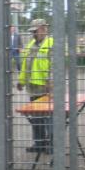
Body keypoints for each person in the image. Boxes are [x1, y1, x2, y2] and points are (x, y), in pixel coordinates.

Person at [17, 19, 54, 153]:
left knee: (48, 117)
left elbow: (55, 66)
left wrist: (52, 83)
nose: (33, 34)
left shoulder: (51, 43)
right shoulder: (32, 43)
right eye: (32, 31)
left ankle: (51, 145)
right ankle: (39, 144)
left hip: (46, 88)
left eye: (35, 31)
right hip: (33, 87)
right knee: (37, 118)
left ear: (43, 29)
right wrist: (21, 81)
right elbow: (26, 65)